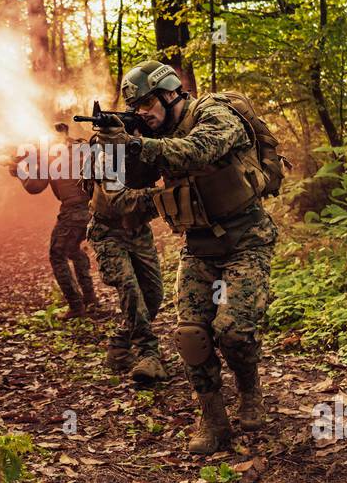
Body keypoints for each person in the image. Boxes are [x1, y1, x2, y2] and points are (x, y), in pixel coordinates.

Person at [103, 62, 278, 453]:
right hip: (198, 245)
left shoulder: (214, 113)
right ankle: (213, 421)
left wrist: (136, 145)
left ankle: (250, 391)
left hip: (246, 239)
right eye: (137, 107)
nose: (144, 113)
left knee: (233, 330)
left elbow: (198, 151)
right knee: (191, 336)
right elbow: (126, 192)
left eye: (148, 103)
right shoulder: (151, 133)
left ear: (170, 93)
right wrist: (113, 149)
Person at [84, 168, 167, 384]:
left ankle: (119, 346)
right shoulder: (107, 151)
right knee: (130, 288)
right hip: (107, 231)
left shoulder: (147, 146)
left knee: (154, 295)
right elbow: (118, 200)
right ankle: (148, 354)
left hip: (138, 230)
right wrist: (166, 193)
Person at [12, 122, 99, 318]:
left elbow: (34, 186)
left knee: (57, 254)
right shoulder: (80, 147)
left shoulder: (50, 155)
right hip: (93, 209)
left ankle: (77, 307)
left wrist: (18, 169)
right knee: (72, 249)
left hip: (74, 211)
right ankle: (90, 299)